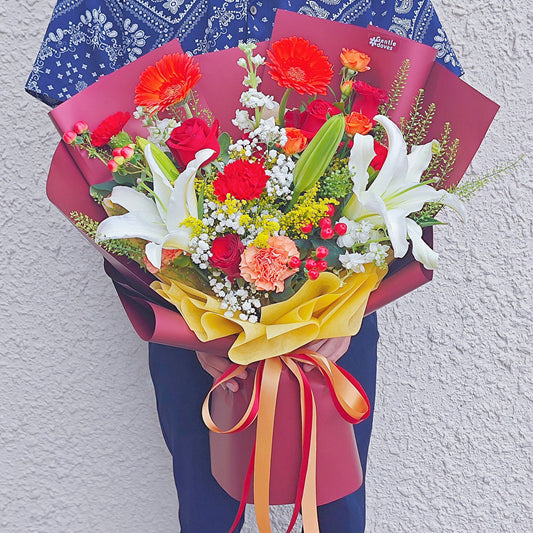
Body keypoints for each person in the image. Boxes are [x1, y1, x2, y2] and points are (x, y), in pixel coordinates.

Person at [27, 2, 462, 531]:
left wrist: (345, 307)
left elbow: (419, 96)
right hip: (191, 312)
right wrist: (195, 322)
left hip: (334, 301)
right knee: (211, 504)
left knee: (335, 501)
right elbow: (90, 123)